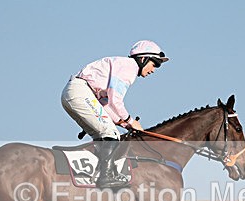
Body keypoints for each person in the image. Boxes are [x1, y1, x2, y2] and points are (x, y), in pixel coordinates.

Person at [61, 40, 169, 189]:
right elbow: (115, 101)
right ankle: (106, 176)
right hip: (80, 92)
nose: (154, 69)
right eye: (155, 63)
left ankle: (96, 175)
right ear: (143, 59)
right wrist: (131, 121)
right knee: (110, 133)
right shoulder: (129, 67)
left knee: (104, 136)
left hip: (75, 93)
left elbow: (106, 106)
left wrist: (125, 124)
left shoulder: (123, 66)